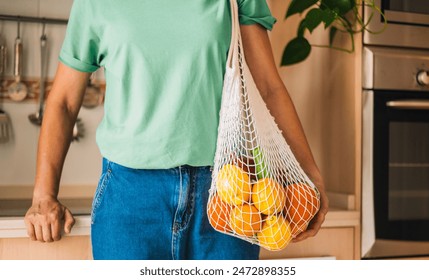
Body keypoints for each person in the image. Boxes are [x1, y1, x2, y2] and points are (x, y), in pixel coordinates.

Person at [24, 0, 328, 260]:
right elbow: (63, 101)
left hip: (228, 195)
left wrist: (309, 173)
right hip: (130, 201)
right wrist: (43, 195)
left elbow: (268, 86)